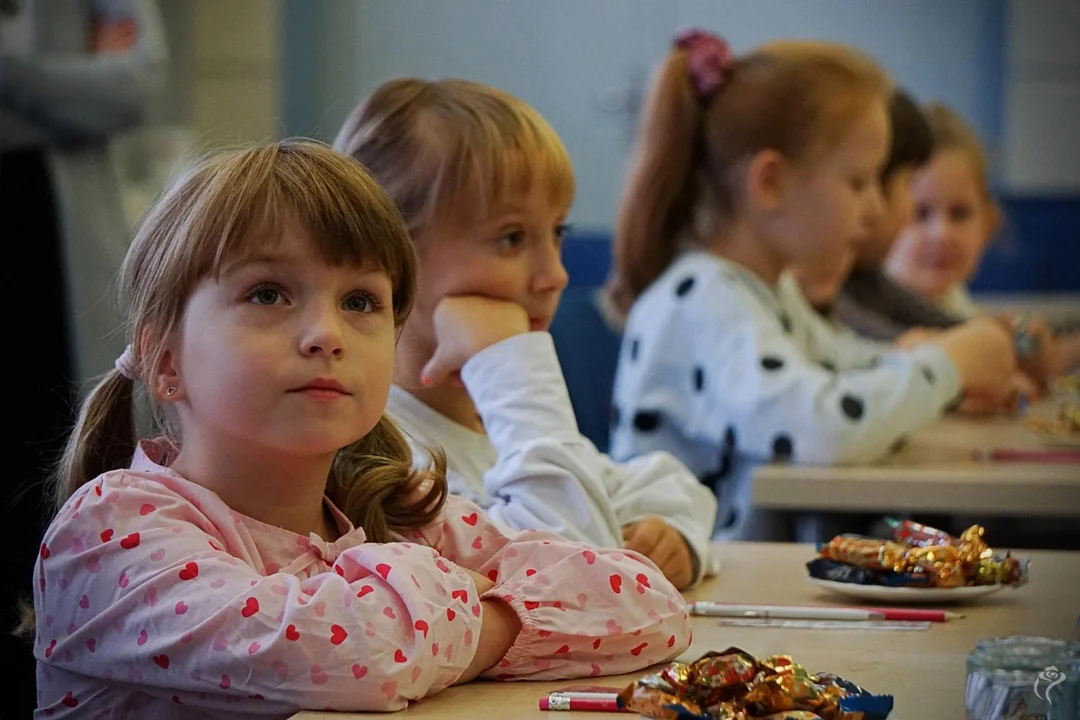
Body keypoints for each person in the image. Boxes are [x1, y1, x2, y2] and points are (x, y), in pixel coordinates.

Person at [30, 140, 691, 717]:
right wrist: (480, 607)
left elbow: (647, 603)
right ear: (165, 360)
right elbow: (339, 655)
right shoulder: (111, 531)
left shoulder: (394, 511)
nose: (326, 335)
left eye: (360, 302)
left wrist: (415, 604)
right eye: (268, 293)